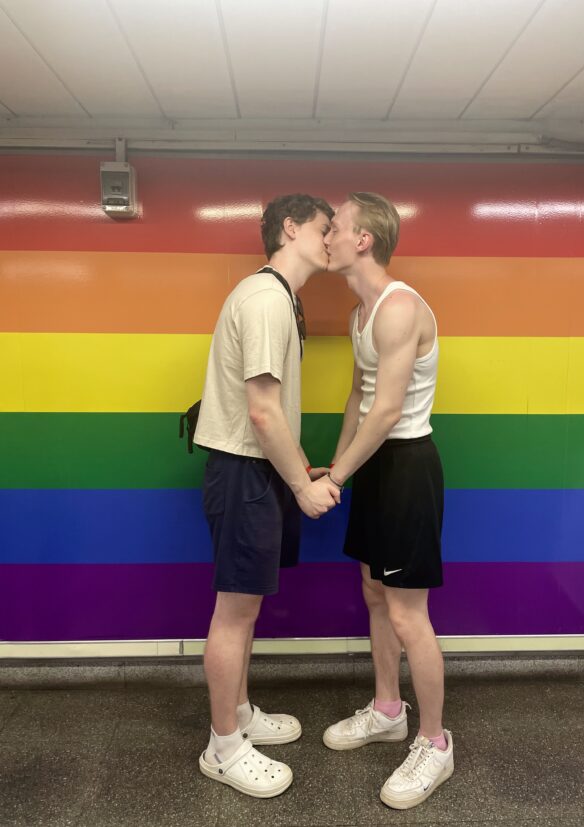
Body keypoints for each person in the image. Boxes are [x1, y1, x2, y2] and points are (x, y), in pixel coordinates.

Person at [194, 193, 341, 798]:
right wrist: (303, 485)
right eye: (325, 227)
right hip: (245, 471)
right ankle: (222, 746)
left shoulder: (281, 297)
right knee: (235, 611)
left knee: (247, 607)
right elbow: (261, 411)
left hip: (262, 471)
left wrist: (296, 472)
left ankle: (242, 713)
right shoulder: (263, 299)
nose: (333, 237)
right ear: (290, 227)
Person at [321, 192, 453, 809]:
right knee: (375, 593)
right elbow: (357, 397)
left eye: (337, 228)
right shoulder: (360, 312)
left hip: (405, 466)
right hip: (374, 466)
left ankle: (434, 742)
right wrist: (337, 464)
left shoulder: (401, 309)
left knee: (407, 613)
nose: (328, 237)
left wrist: (335, 479)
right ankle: (387, 710)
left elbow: (390, 410)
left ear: (364, 239)